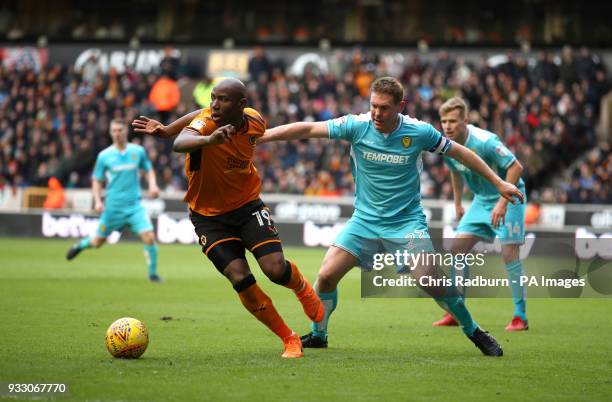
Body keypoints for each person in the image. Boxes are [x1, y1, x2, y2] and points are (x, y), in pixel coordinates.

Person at [258, 77, 525, 356]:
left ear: (401, 106)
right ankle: (319, 335)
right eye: (373, 106)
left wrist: (499, 183)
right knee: (325, 276)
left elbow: (461, 153)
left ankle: (474, 330)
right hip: (364, 221)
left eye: (384, 108)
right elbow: (309, 128)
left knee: (429, 280)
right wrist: (264, 136)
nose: (376, 113)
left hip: (406, 222)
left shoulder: (418, 132)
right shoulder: (357, 125)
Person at [131, 78, 324, 359]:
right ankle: (289, 338)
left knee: (275, 269)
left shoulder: (256, 121)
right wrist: (191, 136)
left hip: (247, 207)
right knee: (240, 277)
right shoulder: (208, 123)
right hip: (209, 218)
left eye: (223, 99)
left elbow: (201, 116)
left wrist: (172, 129)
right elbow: (182, 142)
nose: (214, 105)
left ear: (241, 105)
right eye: (213, 98)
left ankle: (303, 289)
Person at [432, 96, 528, 331]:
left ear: (465, 120)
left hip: (508, 197)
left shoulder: (485, 141)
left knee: (509, 253)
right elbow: (455, 170)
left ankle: (520, 316)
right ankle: (457, 310)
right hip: (480, 201)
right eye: (444, 121)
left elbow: (516, 167)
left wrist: (502, 203)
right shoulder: (447, 144)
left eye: (453, 121)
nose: (447, 126)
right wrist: (457, 202)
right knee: (457, 249)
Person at [66, 118, 162, 282]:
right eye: (114, 131)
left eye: (120, 130)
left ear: (126, 132)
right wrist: (97, 201)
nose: (117, 134)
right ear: (110, 133)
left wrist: (153, 185)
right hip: (113, 208)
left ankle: (152, 274)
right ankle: (80, 245)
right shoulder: (104, 156)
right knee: (97, 242)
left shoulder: (137, 151)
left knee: (149, 236)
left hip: (134, 207)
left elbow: (148, 170)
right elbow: (97, 180)